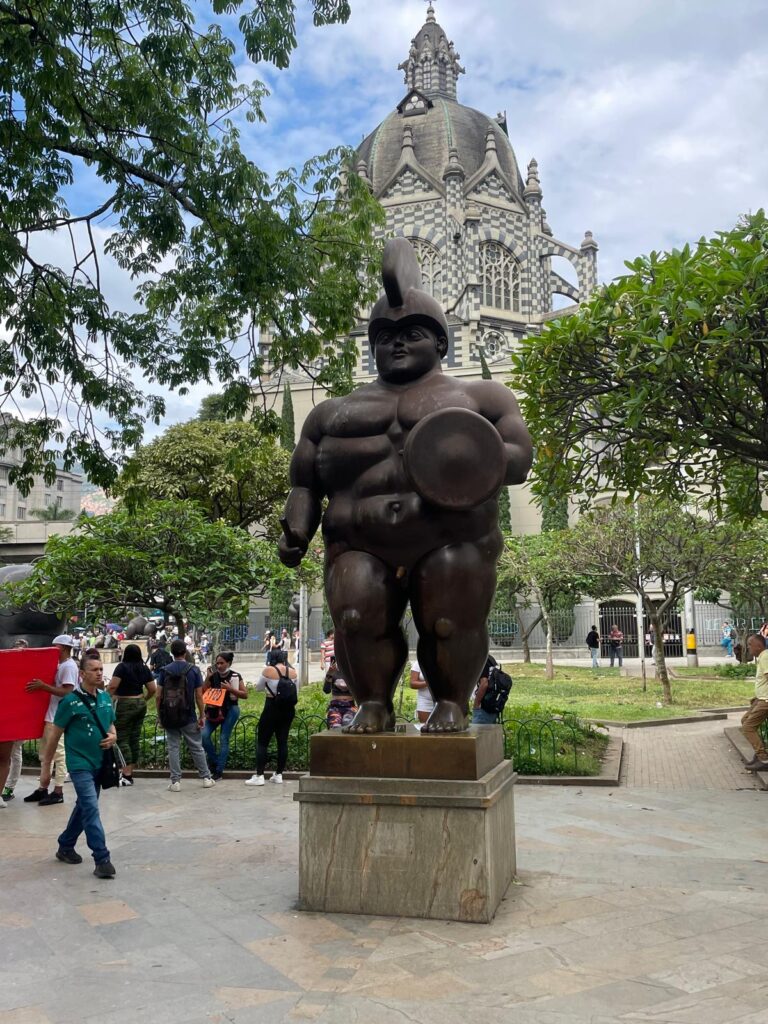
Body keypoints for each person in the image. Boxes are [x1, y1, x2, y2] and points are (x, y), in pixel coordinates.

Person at [278, 237, 532, 733]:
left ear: (440, 342)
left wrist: (470, 456)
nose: (396, 342)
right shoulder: (333, 412)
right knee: (354, 615)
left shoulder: (482, 395)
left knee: (448, 622)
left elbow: (518, 459)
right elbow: (304, 482)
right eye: (384, 335)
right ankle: (372, 702)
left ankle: (452, 702)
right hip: (358, 541)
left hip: (450, 536)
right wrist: (295, 532)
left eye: (412, 332)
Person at [49, 652, 117, 878]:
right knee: (90, 807)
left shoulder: (105, 698)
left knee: (84, 807)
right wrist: (47, 766)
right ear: (82, 674)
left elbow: (111, 725)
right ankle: (102, 858)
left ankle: (65, 845)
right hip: (79, 764)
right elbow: (55, 734)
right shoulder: (70, 702)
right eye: (95, 670)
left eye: (101, 669)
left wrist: (113, 737)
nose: (100, 673)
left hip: (101, 763)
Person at [23, 634, 79, 805]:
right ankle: (43, 788)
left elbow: (68, 691)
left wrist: (43, 687)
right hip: (52, 715)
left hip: (58, 717)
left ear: (60, 648)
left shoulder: (67, 667)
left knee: (58, 755)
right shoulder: (62, 665)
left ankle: (58, 790)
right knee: (46, 754)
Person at [156, 638, 214, 792]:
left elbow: (158, 696)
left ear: (172, 653)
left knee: (173, 748)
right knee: (196, 747)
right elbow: (199, 696)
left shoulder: (164, 670)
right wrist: (202, 715)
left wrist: (160, 716)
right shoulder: (193, 670)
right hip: (188, 715)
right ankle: (206, 778)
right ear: (185, 652)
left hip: (169, 715)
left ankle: (175, 782)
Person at [245, 650, 298, 786]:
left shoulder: (268, 670)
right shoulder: (293, 672)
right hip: (288, 710)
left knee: (263, 742)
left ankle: (259, 775)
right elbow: (295, 690)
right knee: (282, 741)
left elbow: (258, 688)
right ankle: (279, 774)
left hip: (271, 707)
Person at [107, 643, 156, 786]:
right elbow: (152, 689)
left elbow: (113, 686)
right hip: (140, 703)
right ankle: (130, 771)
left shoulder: (122, 667)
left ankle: (126, 775)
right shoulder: (144, 668)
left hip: (124, 703)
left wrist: (104, 698)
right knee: (134, 737)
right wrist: (143, 699)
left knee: (121, 738)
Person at [201, 651, 247, 780]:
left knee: (223, 738)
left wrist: (231, 689)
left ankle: (218, 771)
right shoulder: (213, 675)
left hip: (230, 710)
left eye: (222, 663)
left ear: (229, 663)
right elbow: (203, 692)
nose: (219, 665)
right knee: (203, 736)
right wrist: (207, 678)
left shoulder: (235, 676)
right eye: (217, 663)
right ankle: (216, 762)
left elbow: (245, 695)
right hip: (213, 710)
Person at [741, 633, 768, 771]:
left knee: (748, 727)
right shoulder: (763, 657)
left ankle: (763, 758)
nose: (748, 648)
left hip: (766, 701)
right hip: (761, 699)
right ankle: (761, 754)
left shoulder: (765, 657)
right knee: (745, 720)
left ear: (758, 646)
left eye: (750, 645)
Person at [323, 655, 357, 729]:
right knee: (335, 726)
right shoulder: (333, 672)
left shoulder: (353, 672)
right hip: (335, 706)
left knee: (347, 724)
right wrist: (329, 674)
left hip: (350, 706)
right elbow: (326, 690)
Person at [471, 653, 500, 724]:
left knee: (478, 733)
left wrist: (476, 704)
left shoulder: (481, 659)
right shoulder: (490, 658)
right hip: (492, 705)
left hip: (482, 709)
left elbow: (484, 683)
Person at [409, 659, 434, 727]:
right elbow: (412, 683)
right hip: (425, 701)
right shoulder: (418, 663)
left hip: (443, 701)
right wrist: (428, 683)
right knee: (425, 727)